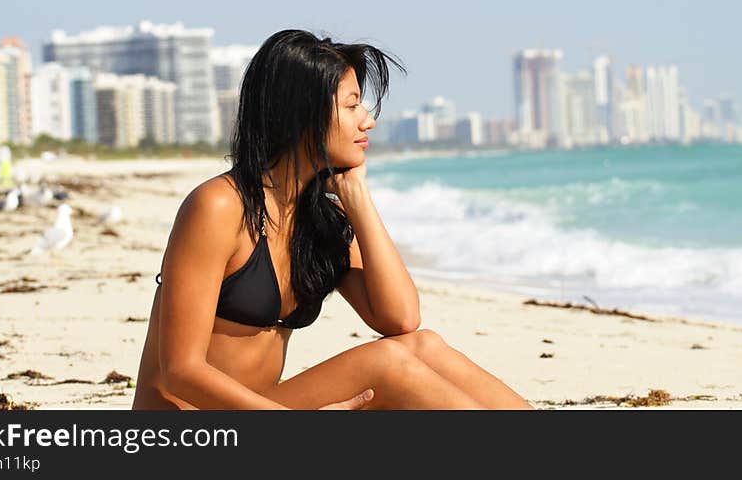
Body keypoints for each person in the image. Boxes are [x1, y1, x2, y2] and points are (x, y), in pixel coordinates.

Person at [131, 30, 534, 410]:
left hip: (262, 412)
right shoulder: (219, 206)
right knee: (386, 364)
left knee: (422, 345)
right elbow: (181, 371)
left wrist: (359, 203)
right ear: (302, 115)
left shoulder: (319, 218)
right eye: (352, 104)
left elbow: (401, 319)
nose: (367, 120)